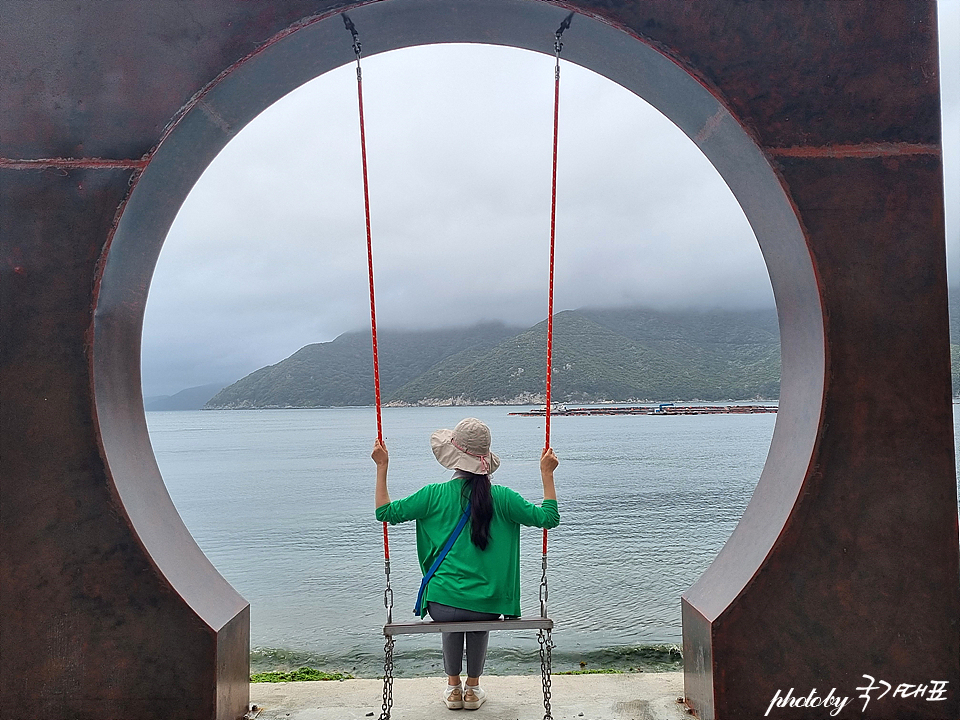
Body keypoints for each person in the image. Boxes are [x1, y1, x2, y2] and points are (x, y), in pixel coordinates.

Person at [373, 417, 559, 711]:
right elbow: (549, 518)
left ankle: (452, 687)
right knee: (476, 621)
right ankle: (472, 689)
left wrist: (382, 466)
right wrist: (546, 474)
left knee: (451, 620)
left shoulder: (432, 495)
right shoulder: (504, 497)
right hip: (489, 602)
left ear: (453, 457)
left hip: (441, 603)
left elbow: (384, 512)